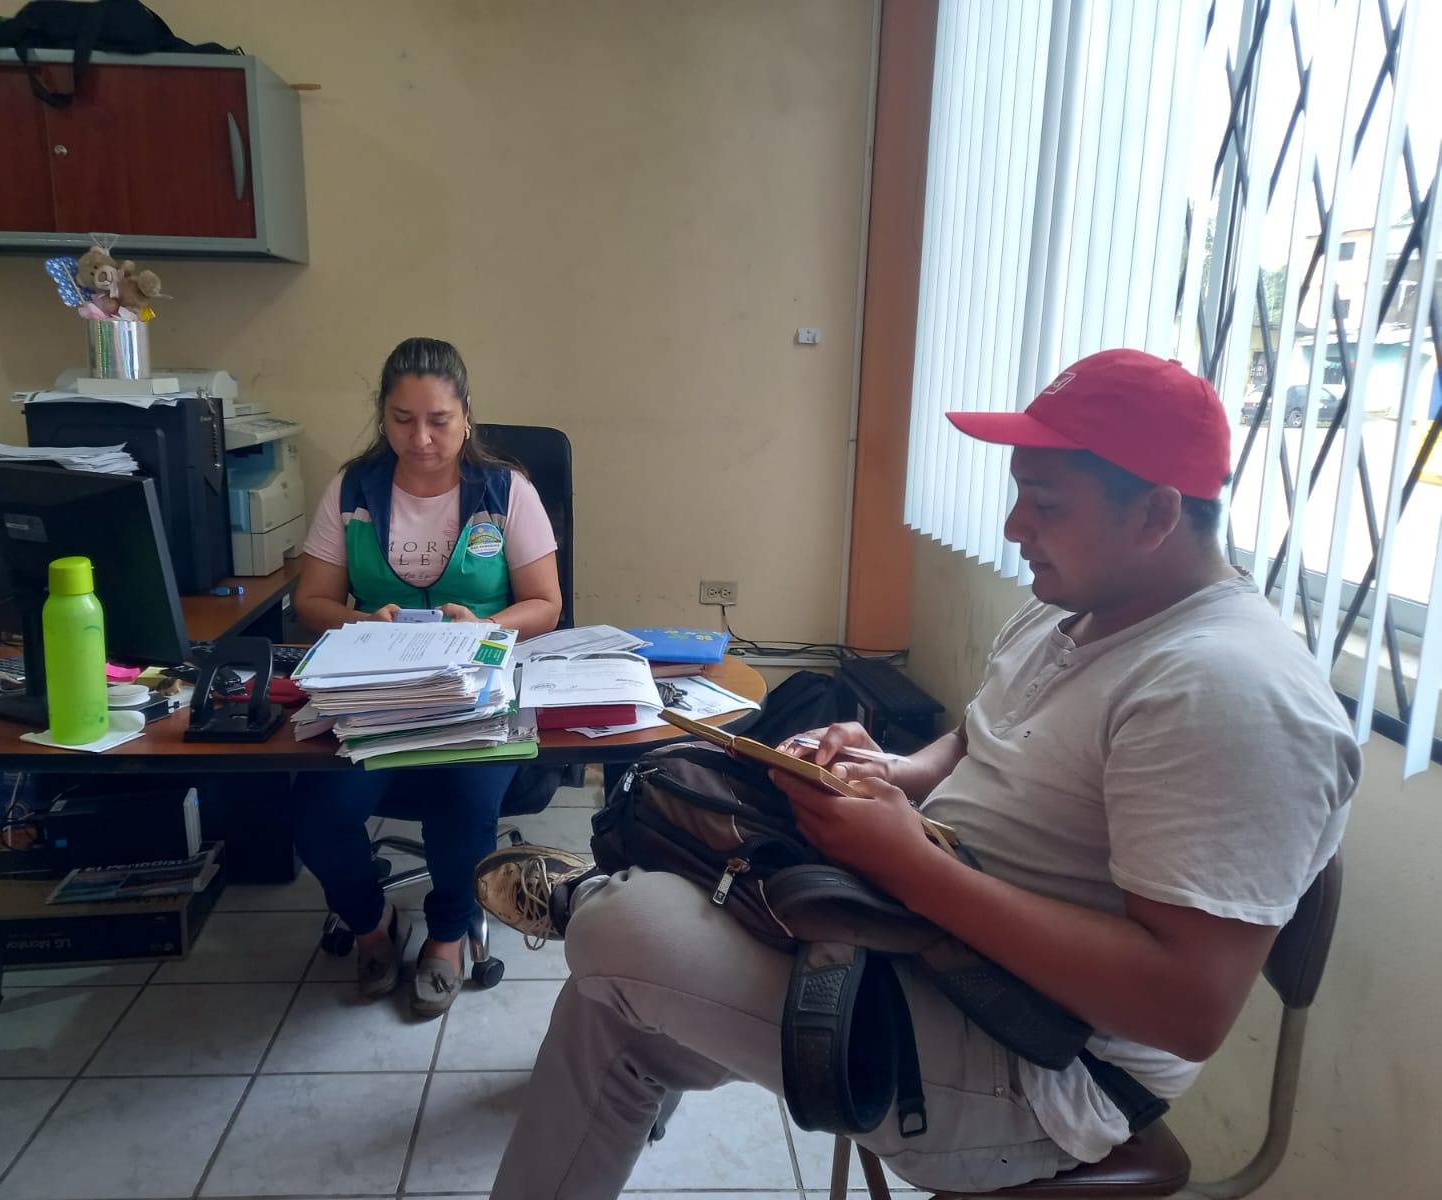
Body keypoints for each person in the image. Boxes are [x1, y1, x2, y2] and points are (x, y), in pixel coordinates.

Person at [472, 349, 1360, 1196]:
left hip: (1040, 1065)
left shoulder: (1228, 692)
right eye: (1018, 495)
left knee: (623, 925)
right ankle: (617, 893)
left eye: (1046, 504)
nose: (1014, 528)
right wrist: (895, 773)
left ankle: (592, 894)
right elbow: (980, 739)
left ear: (1156, 515)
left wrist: (912, 868)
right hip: (924, 938)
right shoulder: (1076, 609)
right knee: (613, 996)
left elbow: (1185, 1008)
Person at [292, 336, 561, 1017]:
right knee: (318, 814)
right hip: (377, 699)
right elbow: (312, 600)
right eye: (402, 419)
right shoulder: (352, 490)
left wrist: (485, 626)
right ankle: (372, 924)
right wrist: (364, 624)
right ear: (382, 416)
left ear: (467, 415)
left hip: (479, 696)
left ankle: (446, 935)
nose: (421, 438)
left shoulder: (506, 491)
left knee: (465, 801)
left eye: (438, 420)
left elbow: (546, 604)